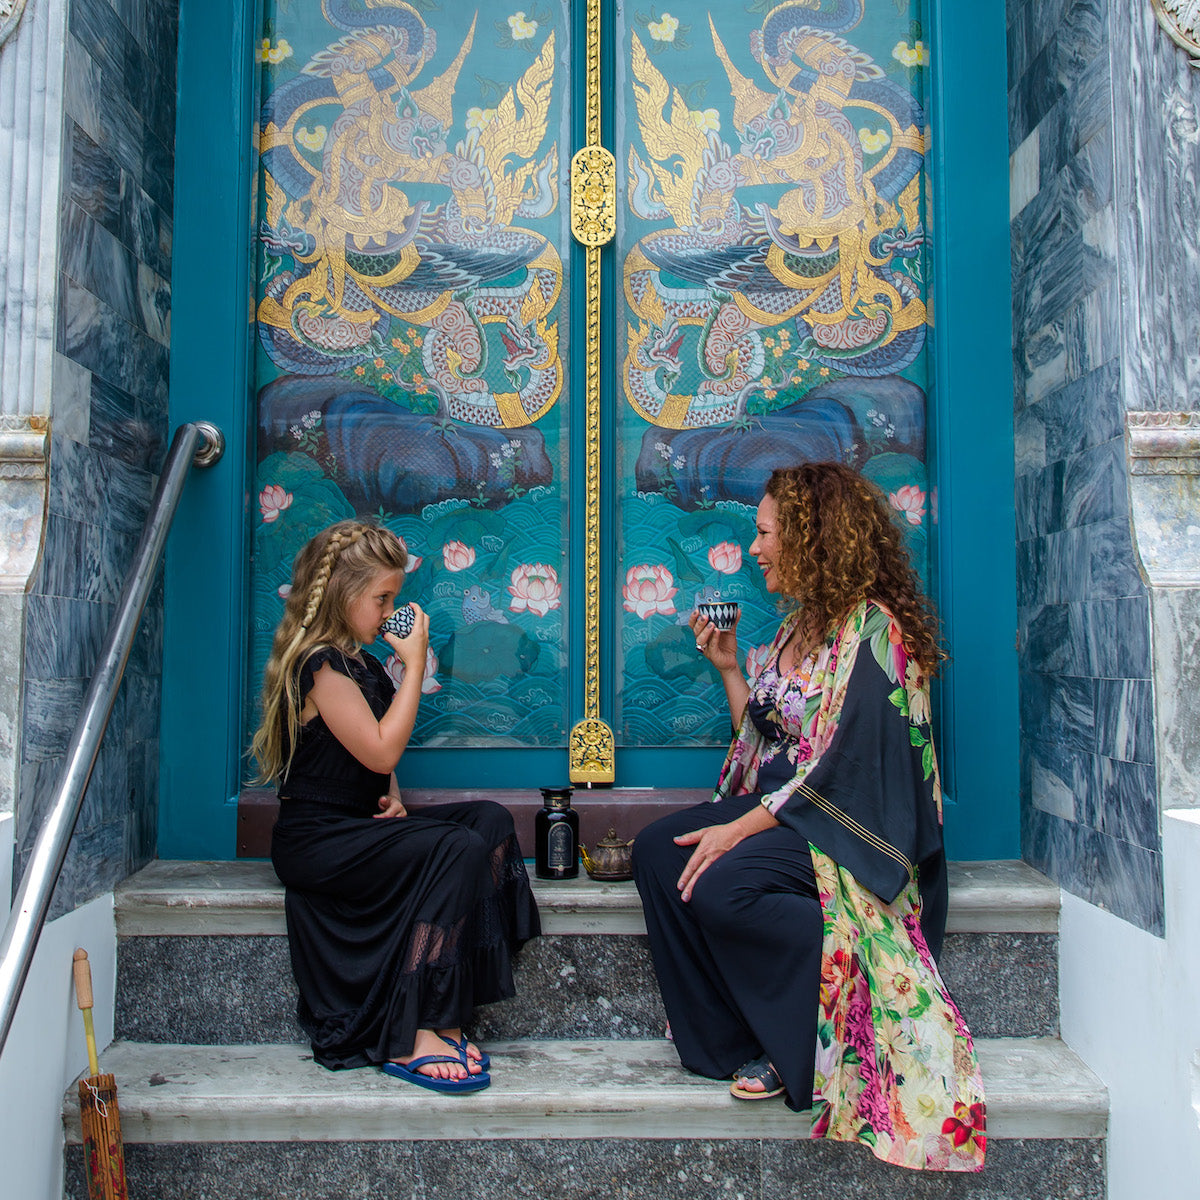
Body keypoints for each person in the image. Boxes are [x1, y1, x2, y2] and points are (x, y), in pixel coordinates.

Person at [632, 463, 986, 1172]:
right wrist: (732, 669)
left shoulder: (877, 630)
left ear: (810, 535)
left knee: (728, 886)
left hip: (848, 833)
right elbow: (767, 742)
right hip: (785, 816)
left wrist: (740, 826)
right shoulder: (800, 625)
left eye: (764, 533)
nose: (755, 548)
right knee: (656, 851)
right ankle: (725, 1037)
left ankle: (801, 1044)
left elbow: (846, 770)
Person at [250, 520, 540, 1093]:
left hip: (361, 819)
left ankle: (453, 996)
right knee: (456, 848)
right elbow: (383, 744)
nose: (391, 611)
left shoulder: (360, 661)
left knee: (489, 820)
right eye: (382, 599)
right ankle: (421, 1024)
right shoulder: (321, 666)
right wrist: (414, 663)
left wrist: (396, 797)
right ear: (341, 593)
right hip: (319, 838)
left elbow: (376, 756)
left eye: (395, 599)